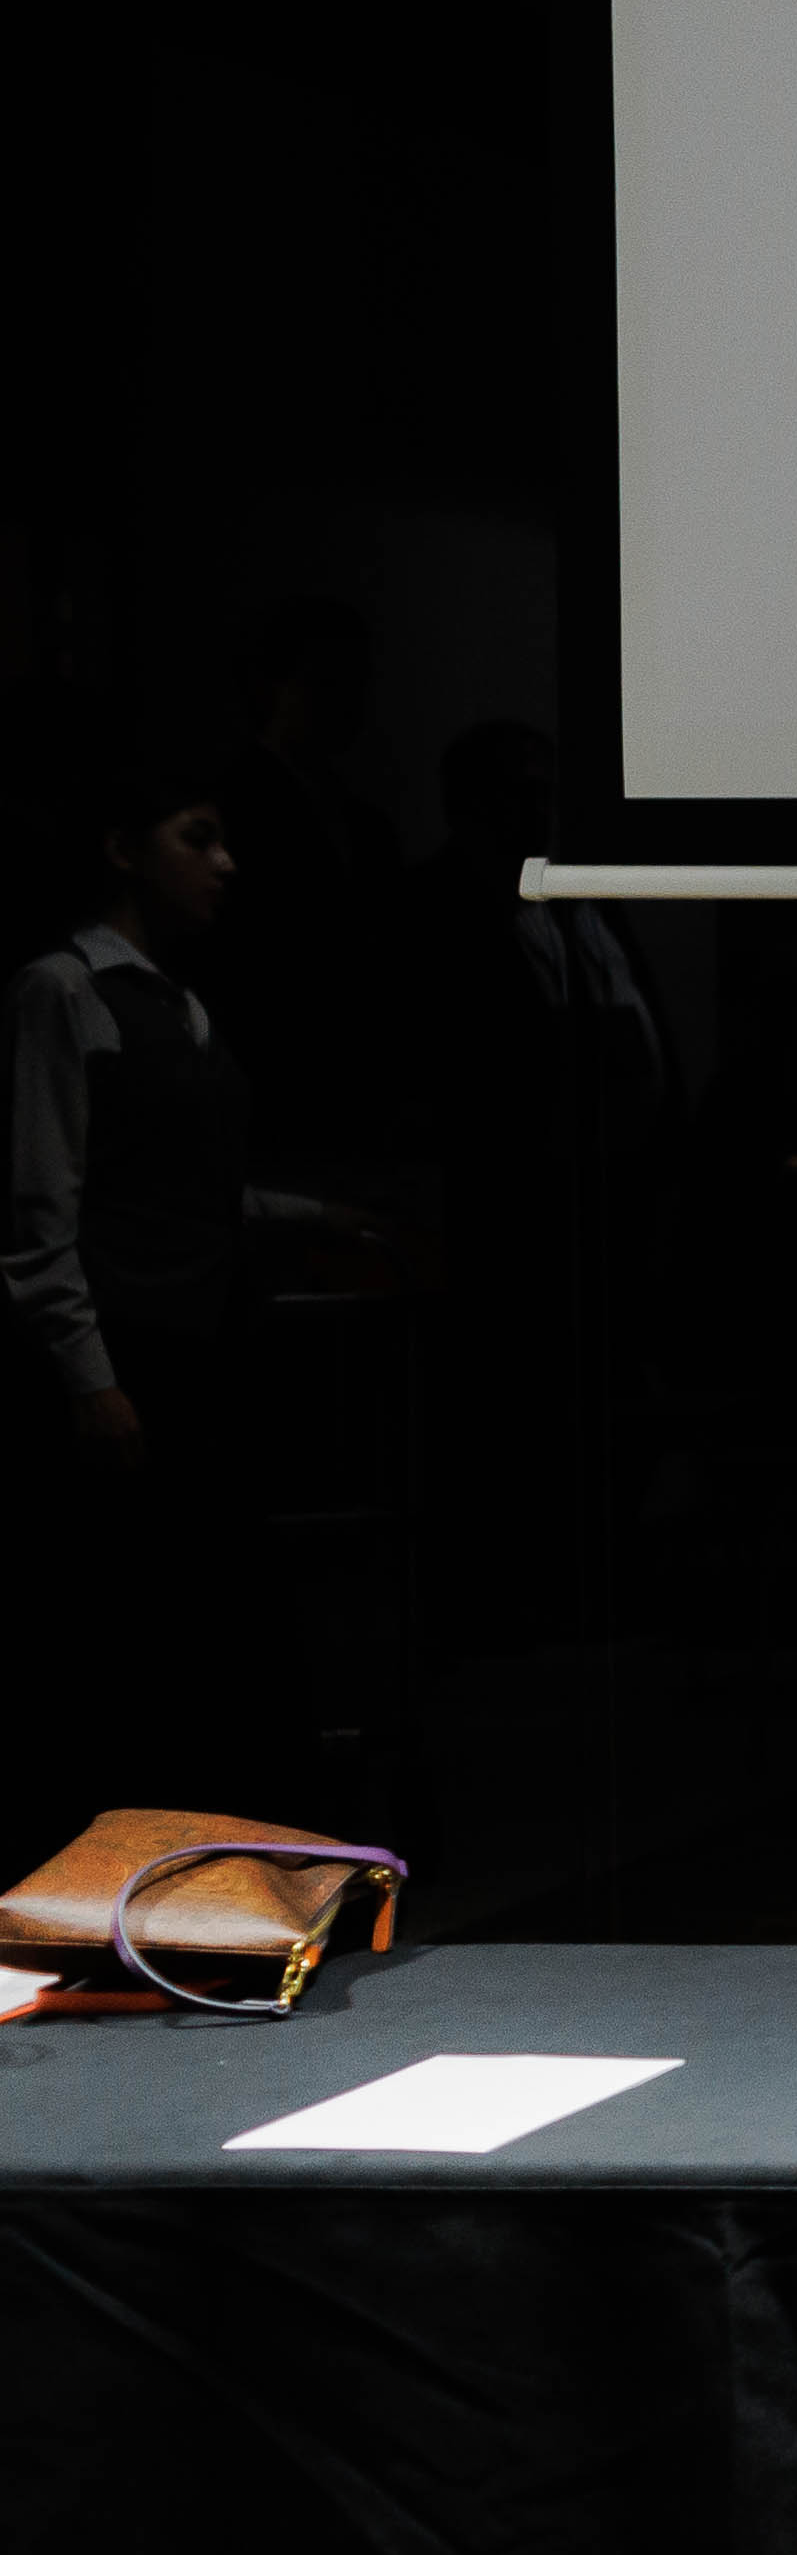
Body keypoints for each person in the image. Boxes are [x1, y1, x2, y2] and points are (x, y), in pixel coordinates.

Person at [5, 756, 344, 1798]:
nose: (225, 863)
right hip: (134, 1357)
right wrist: (89, 1377)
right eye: (197, 838)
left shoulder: (183, 1004)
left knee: (219, 1626)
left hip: (207, 1353)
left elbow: (193, 1185)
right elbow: (40, 1205)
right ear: (122, 850)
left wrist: (330, 1219)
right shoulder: (64, 988)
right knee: (136, 1631)